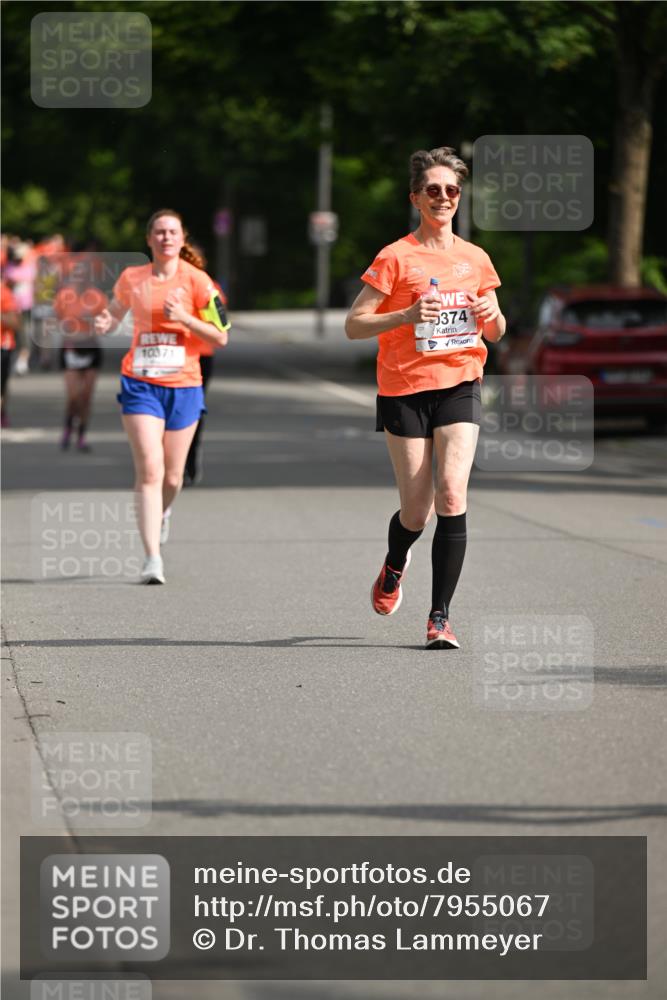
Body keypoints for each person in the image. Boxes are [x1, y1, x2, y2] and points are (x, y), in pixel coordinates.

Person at [345, 147, 506, 649]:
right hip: (405, 389)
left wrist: (488, 314)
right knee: (417, 512)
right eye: (433, 190)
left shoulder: (475, 258)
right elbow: (354, 325)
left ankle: (440, 618)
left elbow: (498, 331)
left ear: (460, 198)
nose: (443, 197)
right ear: (416, 197)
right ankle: (394, 565)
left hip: (461, 381)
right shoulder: (395, 257)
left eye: (451, 190)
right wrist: (407, 316)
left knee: (453, 495)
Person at [94, 209, 229, 584]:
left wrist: (185, 318)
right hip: (140, 382)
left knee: (172, 477)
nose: (166, 238)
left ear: (182, 239)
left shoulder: (199, 282)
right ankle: (152, 557)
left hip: (185, 384)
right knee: (150, 469)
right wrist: (106, 321)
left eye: (172, 232)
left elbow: (221, 335)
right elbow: (114, 312)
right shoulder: (132, 278)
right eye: (159, 232)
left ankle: (163, 513)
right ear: (149, 239)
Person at [183, 245, 228, 486]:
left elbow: (222, 323)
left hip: (201, 356)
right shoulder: (162, 284)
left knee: (193, 408)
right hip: (171, 358)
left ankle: (191, 455)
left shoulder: (210, 287)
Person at [53, 266, 108, 451]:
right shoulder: (64, 296)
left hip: (91, 348)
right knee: (73, 396)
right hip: (71, 348)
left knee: (86, 397)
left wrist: (91, 321)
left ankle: (81, 436)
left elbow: (105, 325)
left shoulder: (98, 297)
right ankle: (68, 427)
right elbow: (57, 321)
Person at [1, 277, 20, 427]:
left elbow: (15, 323)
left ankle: (2, 412)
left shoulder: (4, 293)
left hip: (3, 346)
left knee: (2, 385)